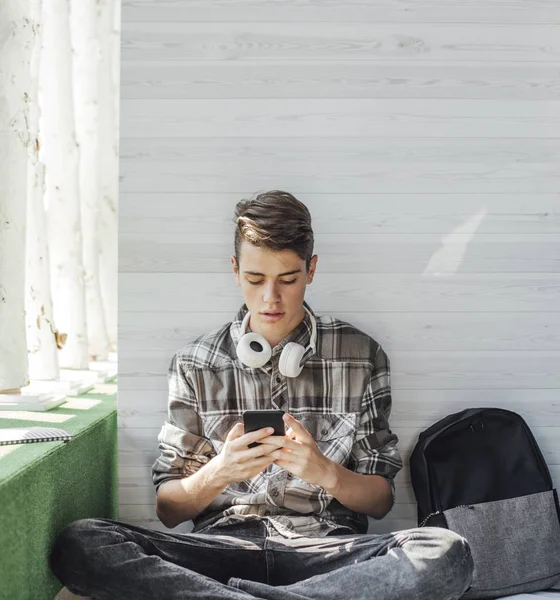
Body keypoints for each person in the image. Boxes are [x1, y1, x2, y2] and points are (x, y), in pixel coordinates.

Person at [49, 190, 473, 599]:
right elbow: (169, 509)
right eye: (255, 279)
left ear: (311, 270)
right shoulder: (194, 363)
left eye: (288, 279)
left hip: (326, 552)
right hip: (222, 549)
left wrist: (326, 472)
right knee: (83, 542)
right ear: (235, 270)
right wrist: (220, 471)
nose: (270, 298)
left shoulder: (361, 355)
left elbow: (380, 501)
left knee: (446, 553)